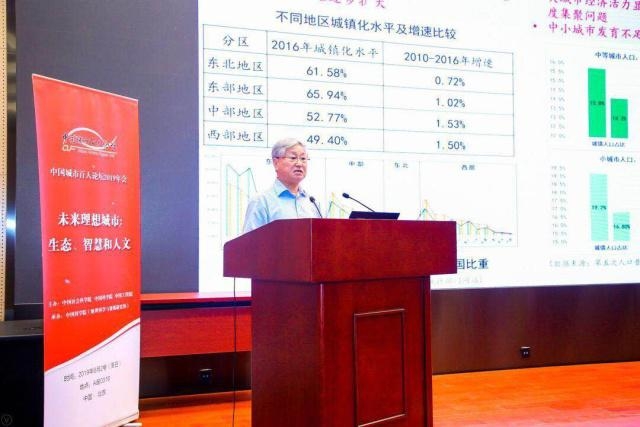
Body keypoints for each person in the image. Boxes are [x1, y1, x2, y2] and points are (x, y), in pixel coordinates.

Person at [242, 138, 322, 233]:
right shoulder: (261, 201)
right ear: (276, 163)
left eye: (303, 158)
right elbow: (250, 240)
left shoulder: (312, 202)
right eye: (293, 158)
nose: (299, 164)